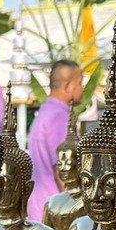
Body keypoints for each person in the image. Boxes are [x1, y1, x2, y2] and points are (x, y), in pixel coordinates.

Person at [26, 59, 84, 219]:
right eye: (80, 83)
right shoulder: (58, 117)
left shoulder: (46, 112)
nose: (82, 88)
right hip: (58, 210)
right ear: (68, 86)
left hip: (41, 205)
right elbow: (63, 170)